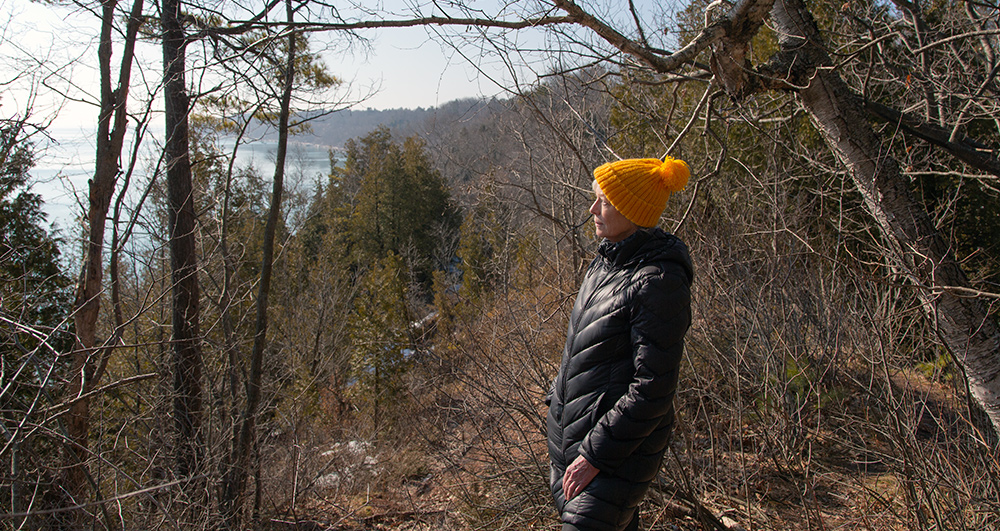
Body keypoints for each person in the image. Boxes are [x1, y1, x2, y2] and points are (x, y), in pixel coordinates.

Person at [546, 157, 694, 531]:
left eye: (604, 201)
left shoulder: (658, 281)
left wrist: (595, 455)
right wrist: (557, 402)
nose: (592, 209)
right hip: (576, 441)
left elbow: (653, 388)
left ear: (632, 210)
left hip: (614, 454)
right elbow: (583, 347)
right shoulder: (607, 262)